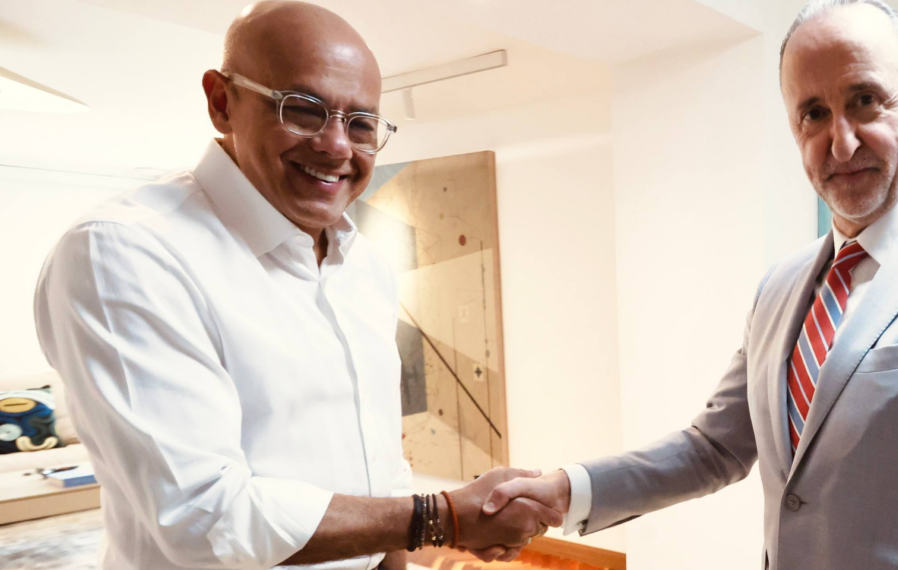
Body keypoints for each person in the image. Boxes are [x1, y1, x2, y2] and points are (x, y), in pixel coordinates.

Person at [479, 1, 898, 568]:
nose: (840, 143)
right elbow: (714, 449)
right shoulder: (781, 287)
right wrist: (565, 491)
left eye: (864, 100)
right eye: (814, 113)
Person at [33, 2, 557, 569]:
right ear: (221, 102)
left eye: (361, 123)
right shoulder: (125, 252)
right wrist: (442, 517)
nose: (337, 146)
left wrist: (406, 547)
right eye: (303, 110)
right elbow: (204, 520)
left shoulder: (364, 265)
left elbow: (380, 467)